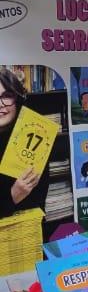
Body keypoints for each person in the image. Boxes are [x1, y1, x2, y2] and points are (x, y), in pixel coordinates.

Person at [0, 68, 53, 221]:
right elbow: (16, 197)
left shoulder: (33, 136)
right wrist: (13, 196)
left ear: (17, 99)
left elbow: (36, 202)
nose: (1, 104)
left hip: (24, 236)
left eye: (7, 96)